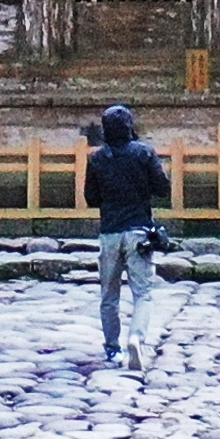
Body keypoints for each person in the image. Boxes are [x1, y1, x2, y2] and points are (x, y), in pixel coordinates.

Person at [83, 101, 171, 370]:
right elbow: (162, 189)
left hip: (109, 232)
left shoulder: (96, 159)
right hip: (138, 231)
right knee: (142, 293)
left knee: (109, 296)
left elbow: (91, 198)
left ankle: (112, 349)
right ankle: (136, 338)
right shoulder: (144, 153)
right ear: (129, 127)